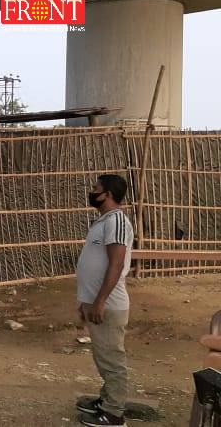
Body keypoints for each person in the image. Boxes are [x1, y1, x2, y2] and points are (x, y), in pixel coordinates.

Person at [75, 174, 133, 427]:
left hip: (109, 303)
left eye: (95, 189)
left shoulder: (117, 221)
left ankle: (114, 413)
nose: (92, 192)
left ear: (107, 193)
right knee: (104, 356)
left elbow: (116, 263)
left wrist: (99, 302)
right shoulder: (104, 221)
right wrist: (86, 301)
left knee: (112, 359)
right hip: (96, 301)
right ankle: (107, 399)